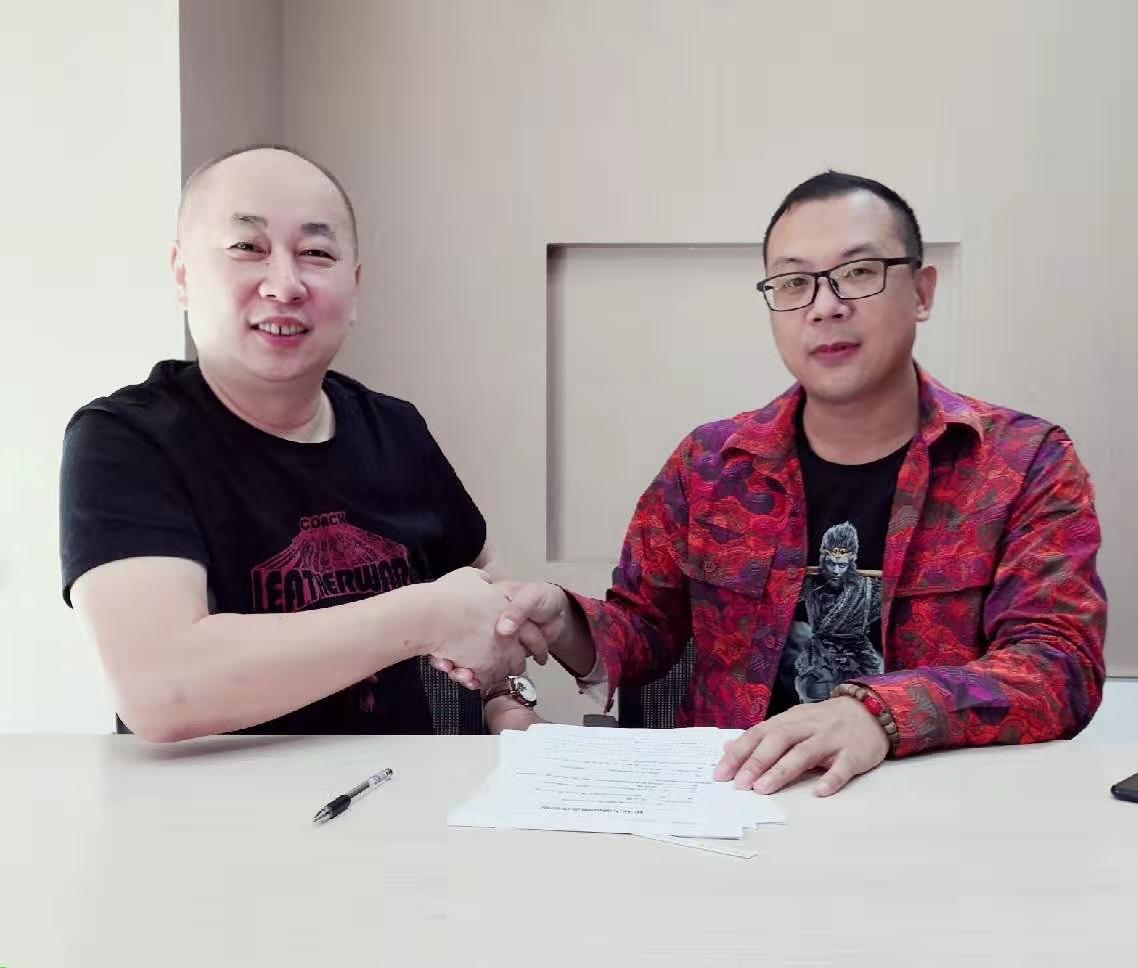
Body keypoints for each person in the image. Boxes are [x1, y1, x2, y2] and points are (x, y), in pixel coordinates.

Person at [473, 171, 1107, 795]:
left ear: (921, 292)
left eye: (859, 272)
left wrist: (877, 714)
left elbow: (1060, 666)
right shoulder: (710, 464)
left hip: (934, 814)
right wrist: (564, 620)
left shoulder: (1023, 462)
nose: (825, 306)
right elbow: (645, 634)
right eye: (795, 282)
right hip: (734, 807)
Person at [60, 144, 543, 742]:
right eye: (247, 247)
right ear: (183, 274)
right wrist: (424, 616)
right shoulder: (126, 440)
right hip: (212, 800)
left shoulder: (396, 429)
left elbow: (484, 593)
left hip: (406, 790)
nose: (285, 285)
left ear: (354, 287)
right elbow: (161, 689)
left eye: (316, 253)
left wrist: (508, 703)